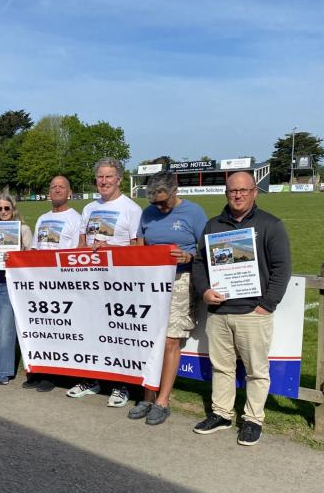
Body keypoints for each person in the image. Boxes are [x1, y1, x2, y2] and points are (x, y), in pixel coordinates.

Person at [191, 171, 292, 446]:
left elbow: (282, 268)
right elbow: (199, 264)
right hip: (220, 312)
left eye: (244, 190)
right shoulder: (213, 226)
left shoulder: (270, 224)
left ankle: (252, 419)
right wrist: (204, 291)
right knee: (221, 367)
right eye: (232, 191)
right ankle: (222, 414)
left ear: (254, 192)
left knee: (256, 370)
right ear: (227, 193)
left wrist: (266, 305)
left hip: (253, 313)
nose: (237, 195)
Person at [128, 171, 207, 425]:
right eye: (155, 203)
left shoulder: (194, 213)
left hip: (180, 281)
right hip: (150, 284)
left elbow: (207, 250)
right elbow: (138, 248)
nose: (159, 207)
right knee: (149, 338)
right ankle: (147, 396)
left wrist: (190, 257)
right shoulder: (147, 213)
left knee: (171, 341)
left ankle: (163, 400)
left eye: (164, 202)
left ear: (175, 191)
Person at [68, 158, 142, 407]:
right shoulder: (88, 208)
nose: (103, 181)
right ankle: (92, 378)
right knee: (90, 330)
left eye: (109, 176)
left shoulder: (131, 209)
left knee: (117, 334)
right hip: (90, 281)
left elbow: (137, 250)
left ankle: (122, 385)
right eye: (100, 176)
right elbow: (81, 244)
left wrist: (112, 249)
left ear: (119, 179)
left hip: (118, 283)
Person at [23, 175, 82, 390]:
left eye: (61, 187)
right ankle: (40, 371)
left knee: (61, 330)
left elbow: (77, 253)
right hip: (42, 283)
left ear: (69, 191)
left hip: (63, 284)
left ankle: (55, 375)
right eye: (53, 187)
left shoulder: (75, 219)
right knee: (42, 328)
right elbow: (36, 251)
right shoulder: (42, 218)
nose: (57, 190)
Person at [0, 192, 33, 385]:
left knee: (6, 327)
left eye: (6, 208)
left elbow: (30, 256)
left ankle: (4, 370)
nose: (3, 212)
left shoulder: (23, 229)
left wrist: (16, 257)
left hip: (9, 283)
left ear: (13, 209)